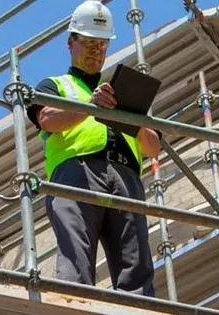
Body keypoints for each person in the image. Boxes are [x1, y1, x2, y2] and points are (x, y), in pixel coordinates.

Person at [26, 0, 160, 296]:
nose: (96, 52)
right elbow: (47, 119)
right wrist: (91, 106)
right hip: (77, 173)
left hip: (126, 178)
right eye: (89, 43)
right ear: (70, 43)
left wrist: (131, 119)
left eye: (101, 46)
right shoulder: (55, 85)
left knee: (135, 268)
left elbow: (154, 148)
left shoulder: (119, 93)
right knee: (75, 262)